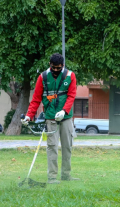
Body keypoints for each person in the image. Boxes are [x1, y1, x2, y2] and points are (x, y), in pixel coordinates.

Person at [21, 53, 79, 184]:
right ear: (50, 65)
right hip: (50, 117)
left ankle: (66, 175)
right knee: (52, 147)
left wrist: (64, 111)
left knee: (67, 146)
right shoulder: (43, 77)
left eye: (58, 68)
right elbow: (36, 99)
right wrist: (29, 116)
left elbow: (71, 96)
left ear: (62, 66)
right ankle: (52, 177)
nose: (56, 71)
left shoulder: (70, 76)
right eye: (54, 68)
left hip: (66, 117)